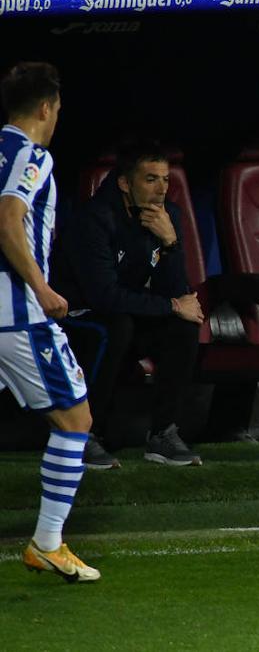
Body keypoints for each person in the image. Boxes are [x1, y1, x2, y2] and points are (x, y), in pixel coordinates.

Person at [0, 62, 99, 582]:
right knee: (74, 421)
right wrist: (40, 287)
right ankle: (47, 542)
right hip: (16, 317)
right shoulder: (30, 155)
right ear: (45, 108)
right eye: (57, 109)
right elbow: (9, 216)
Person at [52, 140, 204, 469]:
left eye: (166, 179)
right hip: (74, 318)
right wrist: (173, 305)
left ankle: (163, 434)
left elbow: (175, 290)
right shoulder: (93, 220)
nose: (161, 189)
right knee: (116, 325)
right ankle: (83, 435)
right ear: (125, 182)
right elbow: (103, 296)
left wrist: (171, 242)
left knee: (182, 326)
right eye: (151, 179)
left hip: (124, 314)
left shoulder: (167, 217)